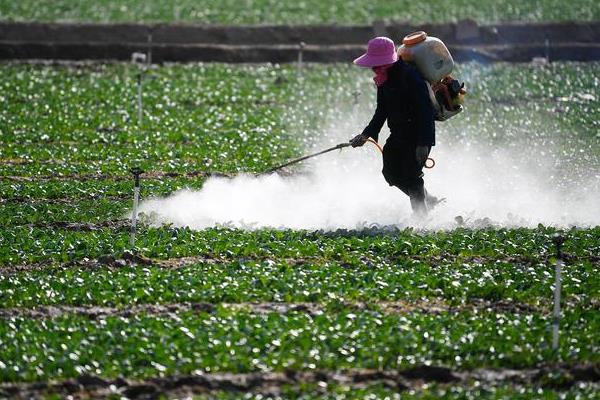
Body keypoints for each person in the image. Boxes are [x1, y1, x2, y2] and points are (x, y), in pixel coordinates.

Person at [350, 36, 441, 216]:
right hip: (399, 133)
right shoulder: (384, 79)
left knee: (412, 175)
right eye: (373, 66)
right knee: (390, 172)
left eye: (377, 65)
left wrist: (424, 143)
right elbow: (381, 110)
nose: (374, 69)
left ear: (387, 61)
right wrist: (366, 134)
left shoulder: (411, 77)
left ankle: (421, 219)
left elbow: (426, 112)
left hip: (418, 135)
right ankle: (428, 200)